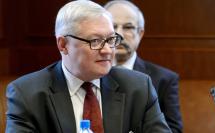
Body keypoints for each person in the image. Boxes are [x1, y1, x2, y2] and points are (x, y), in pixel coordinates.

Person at [5, 0, 172, 133]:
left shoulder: (139, 87)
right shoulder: (26, 94)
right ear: (63, 44)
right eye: (96, 41)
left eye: (111, 40)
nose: (107, 50)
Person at [104, 1, 183, 133]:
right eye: (113, 27)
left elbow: (173, 130)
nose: (119, 35)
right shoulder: (91, 73)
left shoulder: (164, 79)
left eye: (128, 27)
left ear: (140, 34)